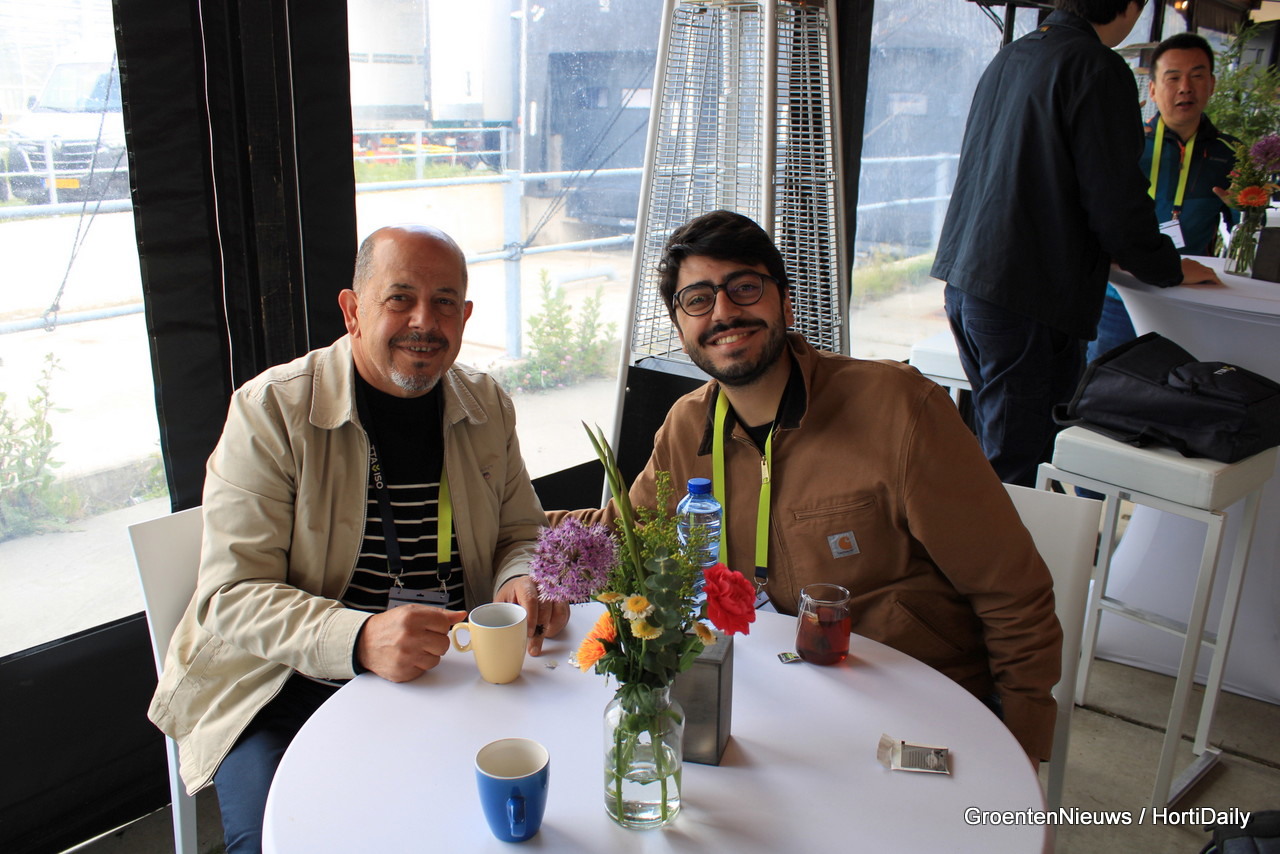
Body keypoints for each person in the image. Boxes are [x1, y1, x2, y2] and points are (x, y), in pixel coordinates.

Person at [557, 210, 1063, 764]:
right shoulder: (686, 427)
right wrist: (518, 540)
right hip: (777, 707)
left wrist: (1022, 744)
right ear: (681, 331)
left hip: (917, 713)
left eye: (744, 288)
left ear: (786, 301)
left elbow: (1012, 593)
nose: (723, 312)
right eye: (698, 300)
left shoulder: (899, 409)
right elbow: (620, 533)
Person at [147, 225, 568, 854]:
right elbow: (231, 595)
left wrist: (520, 576)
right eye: (400, 298)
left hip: (448, 666)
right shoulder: (271, 411)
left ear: (464, 316)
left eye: (444, 302)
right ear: (352, 311)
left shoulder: (486, 404)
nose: (424, 321)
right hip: (283, 683)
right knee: (278, 840)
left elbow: (521, 530)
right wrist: (359, 637)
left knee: (547, 794)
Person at [930, 0, 1221, 488]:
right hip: (1028, 291)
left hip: (970, 279)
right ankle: (995, 541)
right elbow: (1114, 198)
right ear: (1130, 5)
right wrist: (1167, 267)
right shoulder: (1097, 66)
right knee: (1018, 464)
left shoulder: (1014, 54)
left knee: (1005, 449)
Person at [1089, 32, 1239, 362]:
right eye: (1173, 78)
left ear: (1212, 84)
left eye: (1197, 76)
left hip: (1191, 297)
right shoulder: (1125, 146)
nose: (1185, 87)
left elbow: (1247, 235)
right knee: (1105, 382)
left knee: (1182, 386)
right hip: (1121, 294)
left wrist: (1244, 207)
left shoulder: (1231, 154)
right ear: (1154, 89)